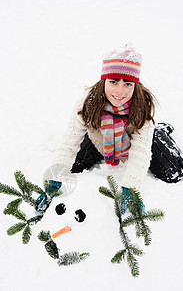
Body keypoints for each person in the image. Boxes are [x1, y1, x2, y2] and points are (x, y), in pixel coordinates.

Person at [36, 43, 155, 214]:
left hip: (135, 141)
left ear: (135, 84)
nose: (120, 91)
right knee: (73, 167)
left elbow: (141, 151)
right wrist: (53, 182)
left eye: (128, 84)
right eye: (114, 82)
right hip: (99, 140)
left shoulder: (144, 104)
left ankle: (163, 132)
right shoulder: (88, 102)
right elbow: (70, 142)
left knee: (173, 171)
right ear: (104, 80)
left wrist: (131, 188)